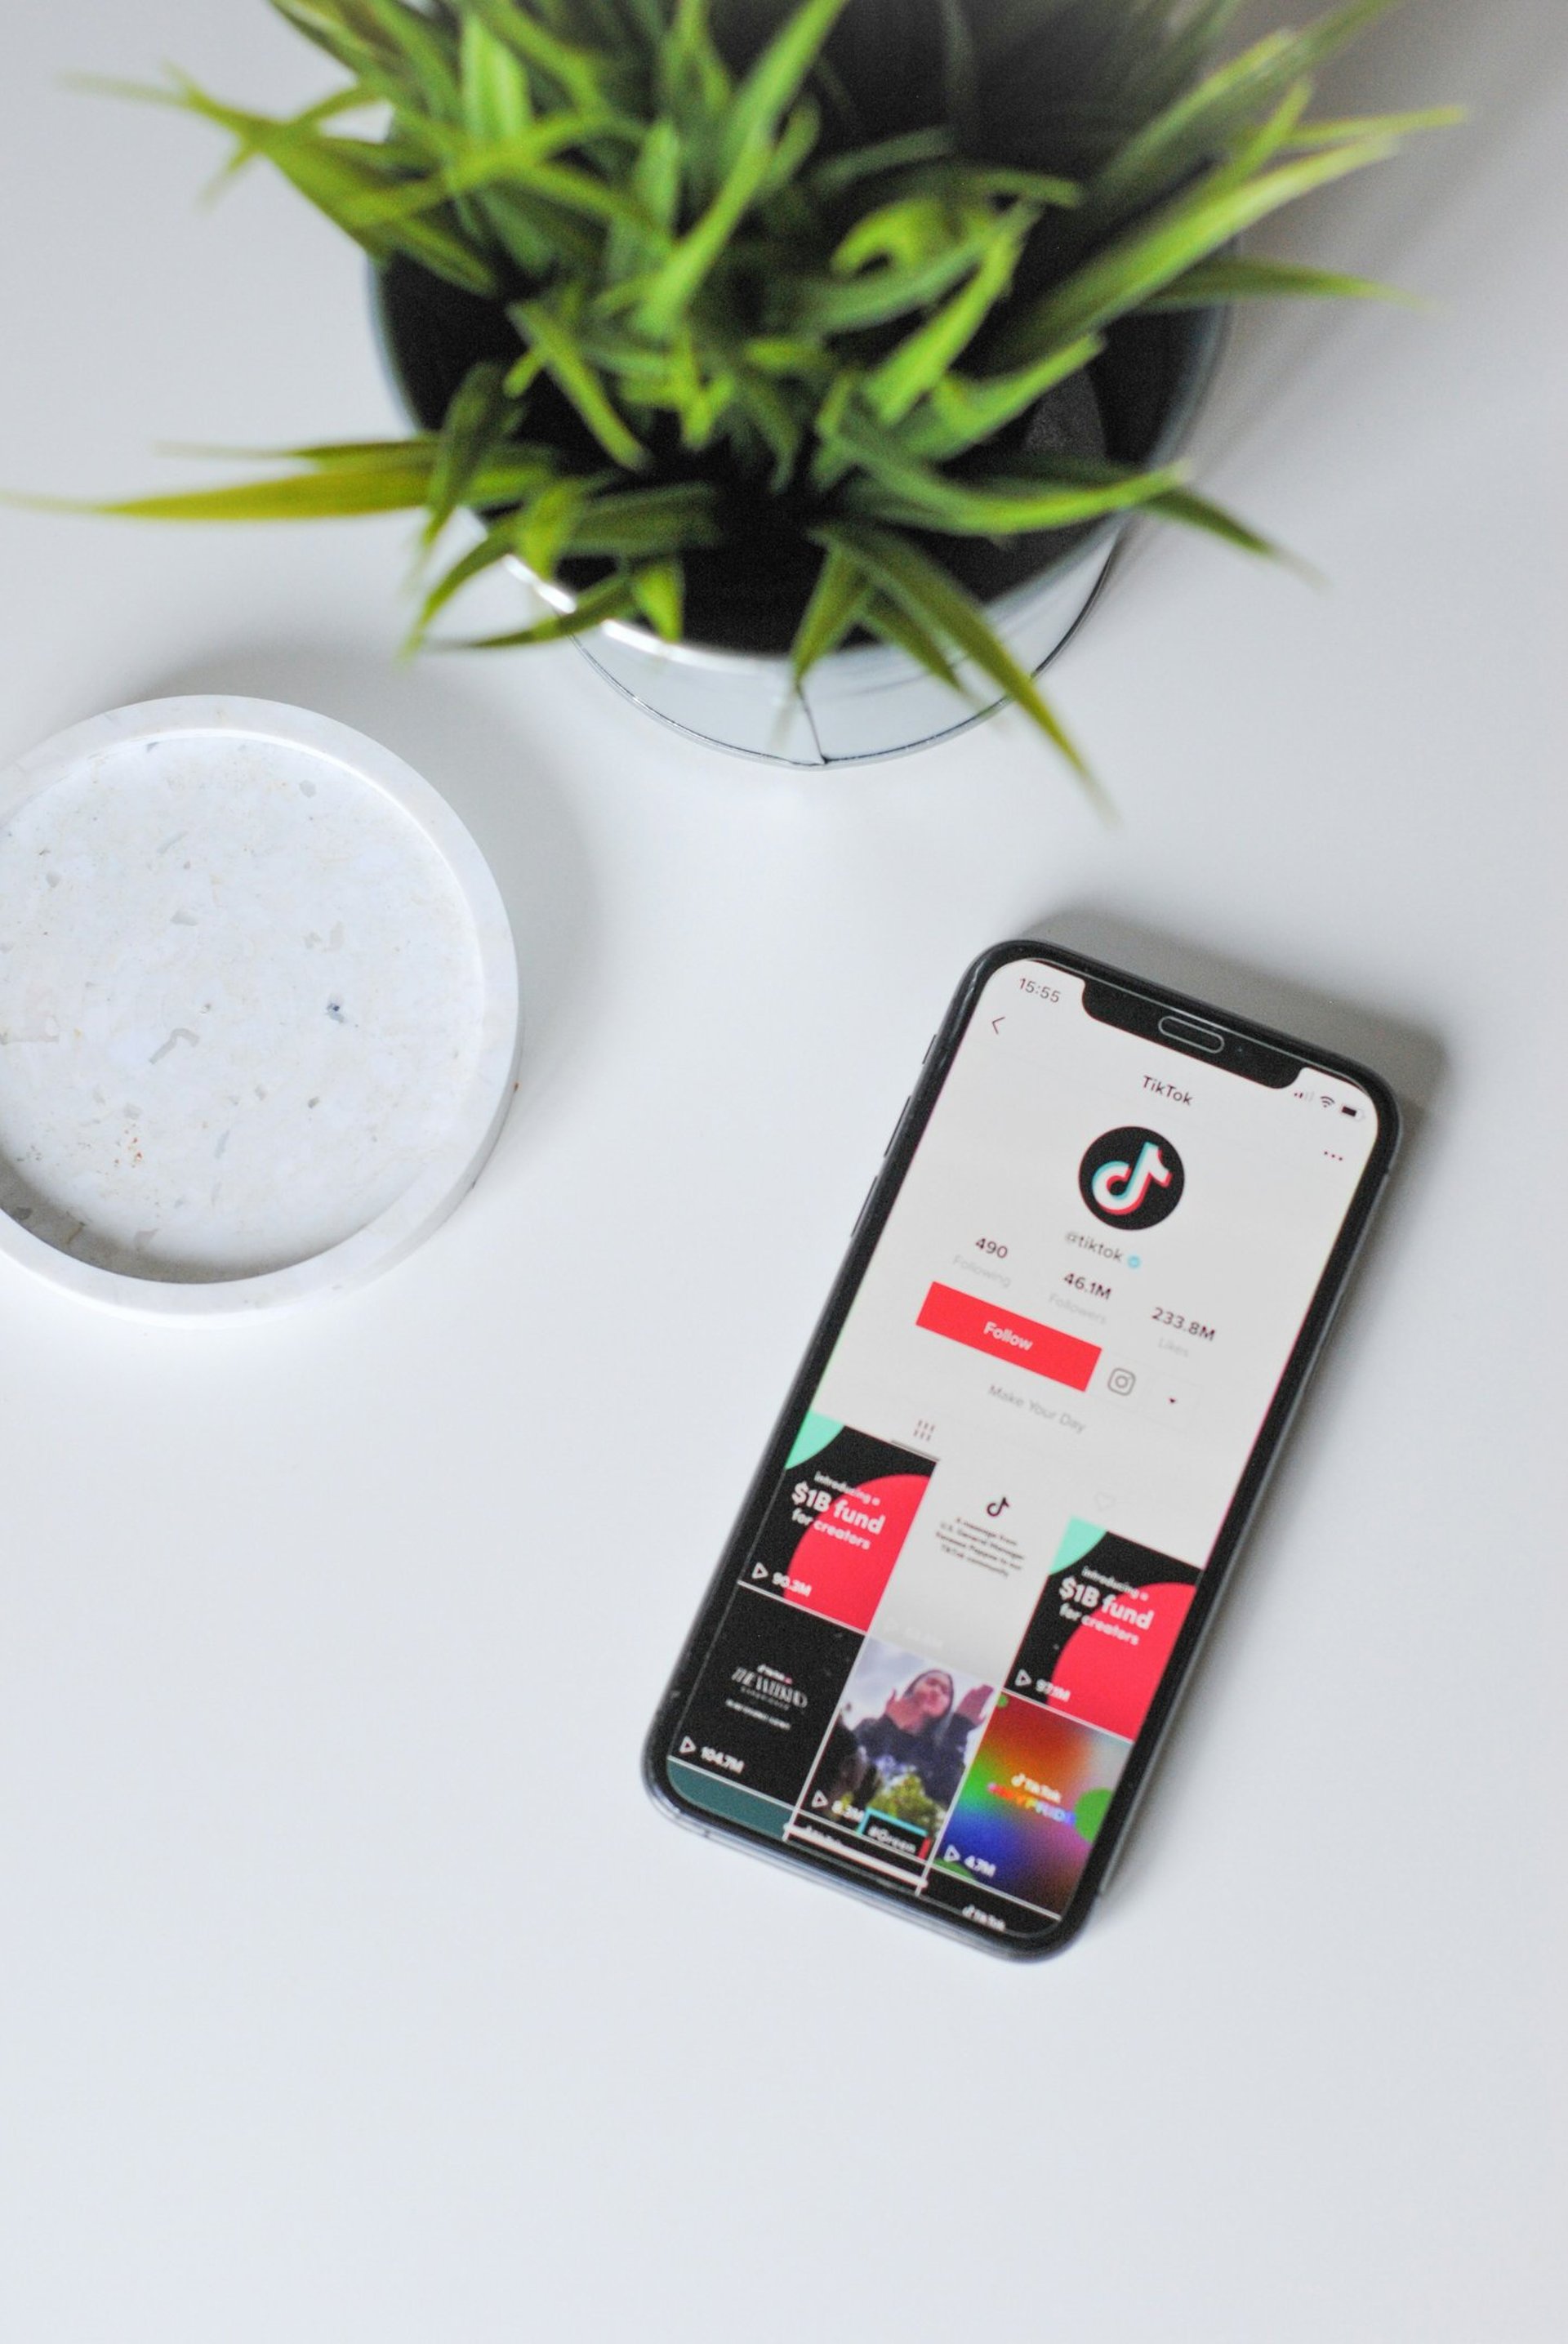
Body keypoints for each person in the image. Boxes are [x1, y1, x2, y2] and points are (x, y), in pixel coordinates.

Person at [846, 1668, 993, 1811]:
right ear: (913, 1686)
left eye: (944, 1691)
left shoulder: (940, 1753)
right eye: (931, 1683)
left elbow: (952, 1800)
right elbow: (848, 1763)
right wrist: (889, 1723)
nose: (936, 1691)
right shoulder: (871, 1726)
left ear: (948, 1706)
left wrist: (959, 1730)